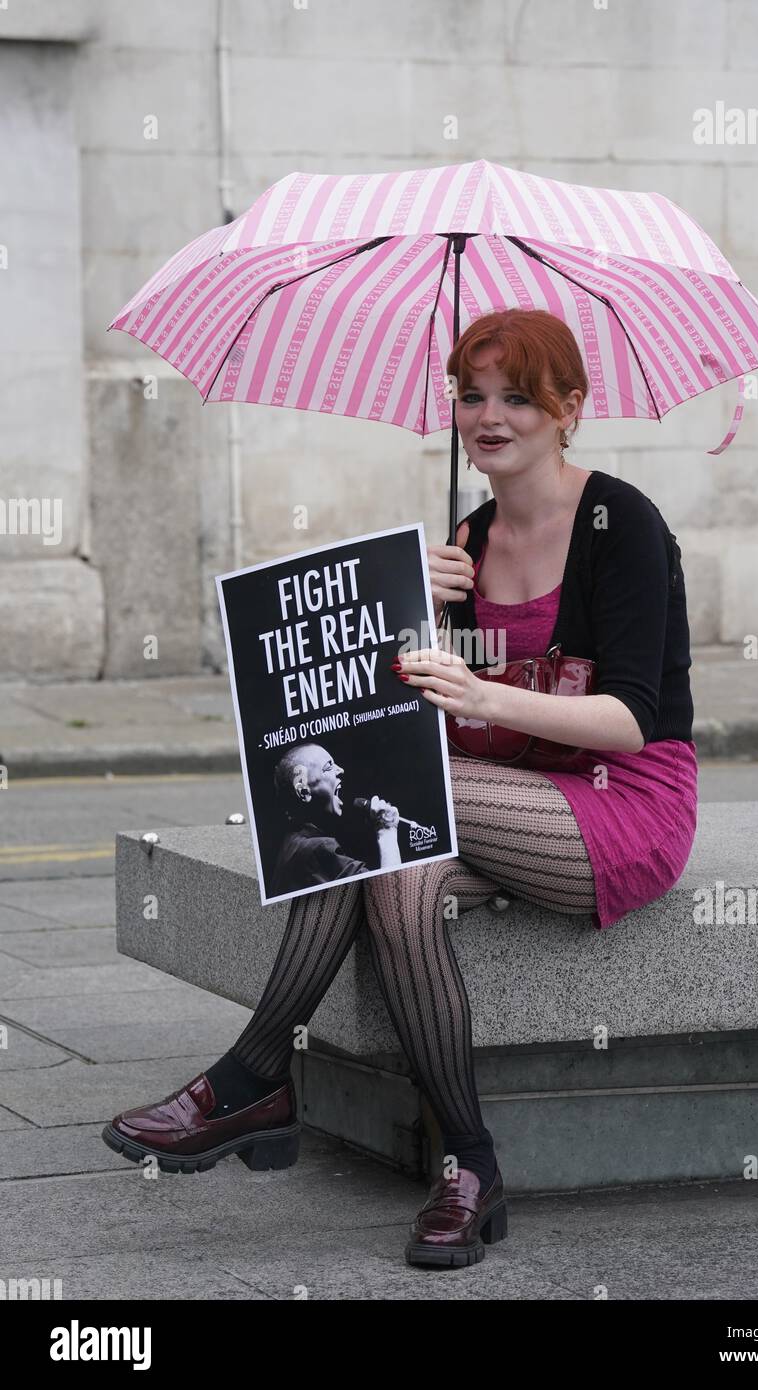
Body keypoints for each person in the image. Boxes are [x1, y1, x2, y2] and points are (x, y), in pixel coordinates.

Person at [101, 307, 697, 1272]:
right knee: (392, 871)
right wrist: (410, 614)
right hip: (505, 791)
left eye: (517, 397)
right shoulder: (468, 534)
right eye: (471, 394)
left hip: (621, 800)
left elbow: (633, 716)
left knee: (387, 801)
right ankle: (469, 1164)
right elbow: (448, 721)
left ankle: (252, 1078)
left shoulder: (617, 522)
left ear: (569, 408)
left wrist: (480, 683)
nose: (488, 416)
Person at [269, 743, 400, 894]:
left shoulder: (291, 843)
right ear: (304, 792)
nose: (341, 770)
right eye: (329, 766)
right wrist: (386, 831)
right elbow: (390, 896)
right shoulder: (316, 849)